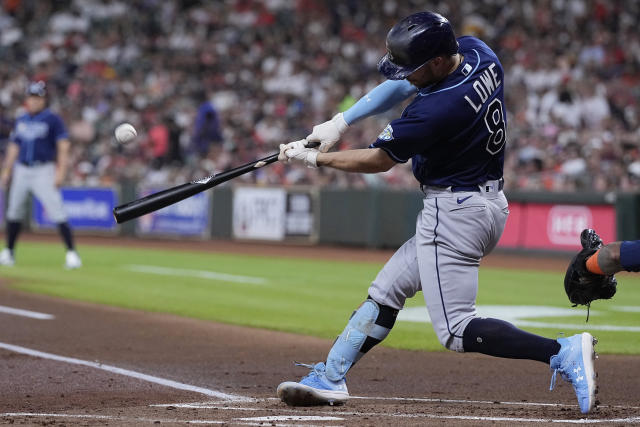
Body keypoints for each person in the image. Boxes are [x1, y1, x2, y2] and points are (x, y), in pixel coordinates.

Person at [276, 12, 597, 414]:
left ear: (439, 62)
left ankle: (561, 352)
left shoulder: (439, 107)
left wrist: (316, 160)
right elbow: (398, 85)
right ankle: (331, 376)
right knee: (387, 290)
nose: (406, 76)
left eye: (414, 68)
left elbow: (379, 159)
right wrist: (341, 121)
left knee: (457, 330)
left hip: (455, 210)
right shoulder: (479, 53)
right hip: (483, 202)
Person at [0, 81, 82, 269]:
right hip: (22, 169)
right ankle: (9, 252)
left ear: (44, 99)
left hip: (43, 170)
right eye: (31, 97)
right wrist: (6, 170)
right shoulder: (22, 118)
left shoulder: (52, 119)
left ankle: (72, 254)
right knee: (14, 211)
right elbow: (14, 146)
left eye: (37, 97)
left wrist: (60, 172)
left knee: (57, 210)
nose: (34, 101)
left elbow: (63, 146)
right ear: (27, 99)